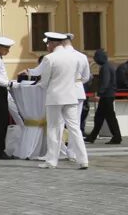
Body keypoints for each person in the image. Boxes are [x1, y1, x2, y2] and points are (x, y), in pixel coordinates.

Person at [38, 37, 90, 170]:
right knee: (75, 128)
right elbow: (81, 77)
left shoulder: (50, 58)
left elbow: (44, 82)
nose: (47, 46)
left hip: (55, 97)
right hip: (71, 96)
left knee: (54, 128)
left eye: (48, 43)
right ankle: (83, 159)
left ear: (54, 43)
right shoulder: (75, 57)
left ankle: (51, 161)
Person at [85, 49, 123, 145]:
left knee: (110, 117)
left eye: (96, 57)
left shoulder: (105, 67)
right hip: (108, 95)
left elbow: (105, 82)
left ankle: (117, 137)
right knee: (99, 117)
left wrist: (99, 93)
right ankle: (92, 136)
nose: (95, 59)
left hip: (106, 96)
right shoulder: (109, 66)